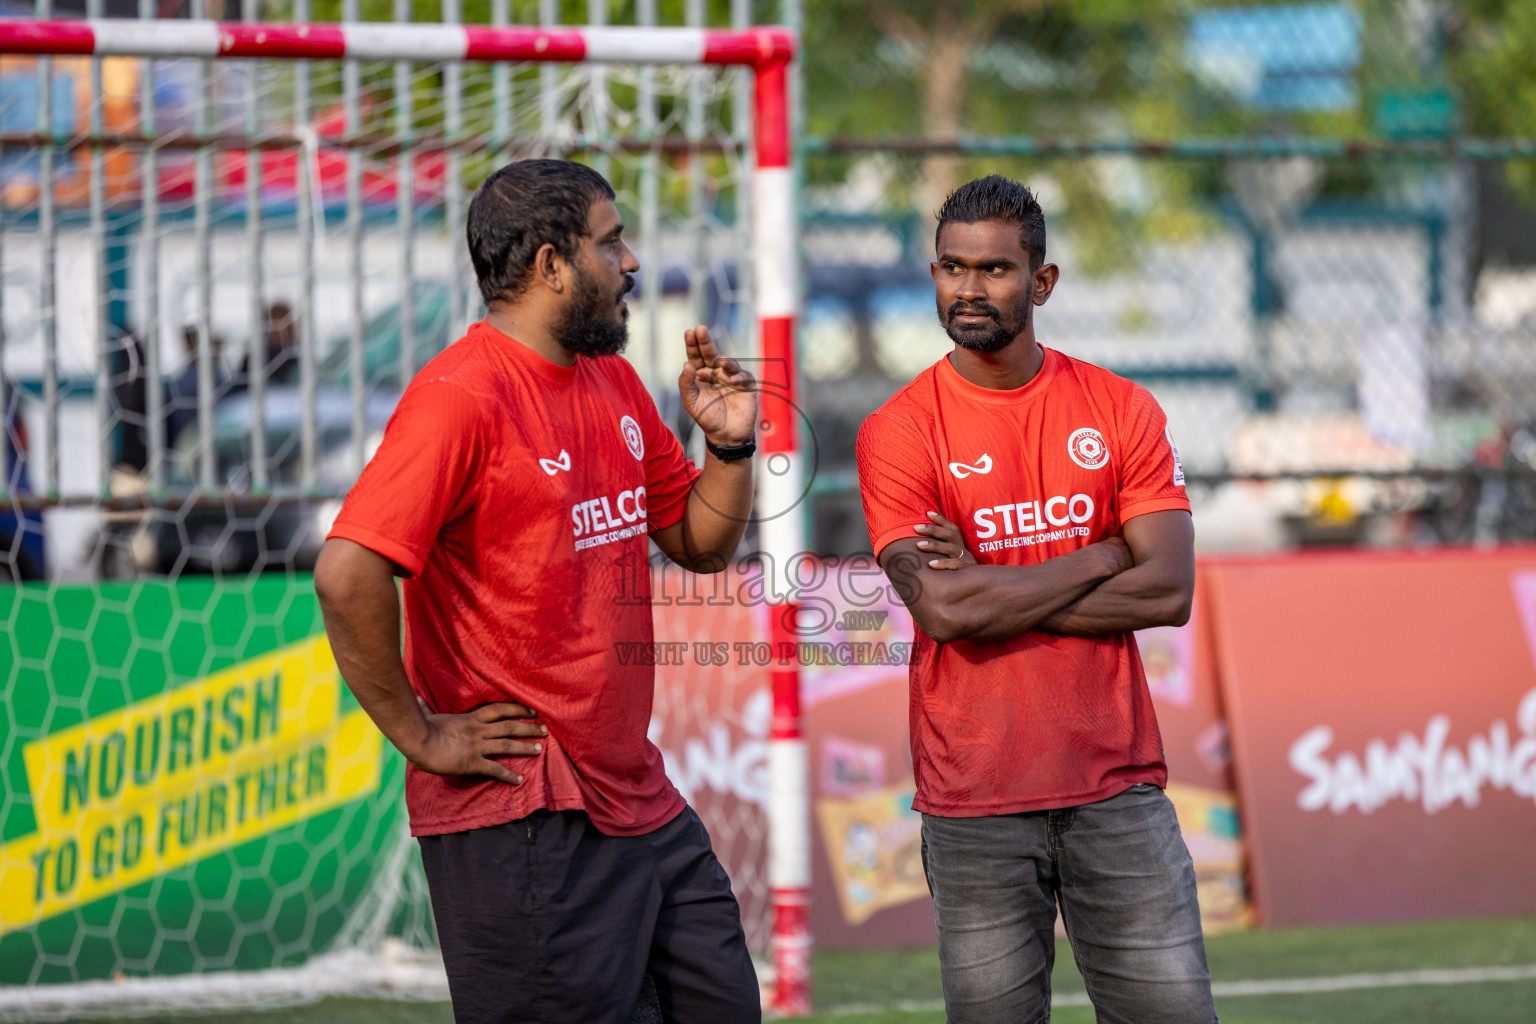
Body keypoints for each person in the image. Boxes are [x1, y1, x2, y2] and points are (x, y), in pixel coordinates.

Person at [313, 159, 762, 1024]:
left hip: (635, 794)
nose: (630, 262)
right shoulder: (459, 397)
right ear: (553, 264)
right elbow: (346, 571)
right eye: (610, 241)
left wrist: (731, 451)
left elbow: (699, 545)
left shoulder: (615, 382)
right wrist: (421, 734)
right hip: (520, 810)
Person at [855, 175, 1218, 1024]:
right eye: (951, 267)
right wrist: (1099, 554)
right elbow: (943, 613)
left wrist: (994, 586)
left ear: (1041, 283)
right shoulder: (900, 429)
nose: (968, 289)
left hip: (1116, 791)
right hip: (974, 800)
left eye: (994, 270)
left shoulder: (1120, 407)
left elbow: (1166, 588)